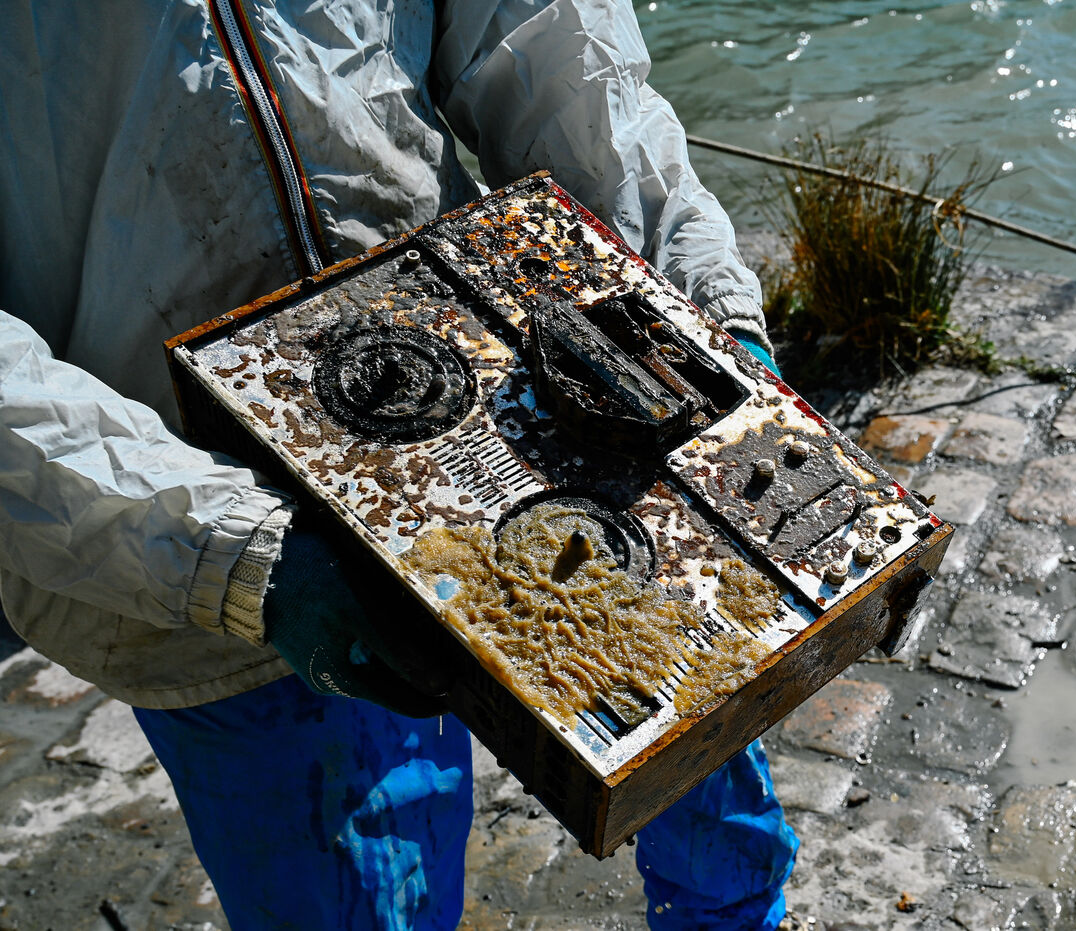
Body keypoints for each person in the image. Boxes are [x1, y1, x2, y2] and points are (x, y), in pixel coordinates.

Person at [0, 2, 798, 928]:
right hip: (199, 511)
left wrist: (693, 300)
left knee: (713, 802)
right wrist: (230, 548)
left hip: (513, 395)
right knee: (367, 904)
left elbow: (547, 40)